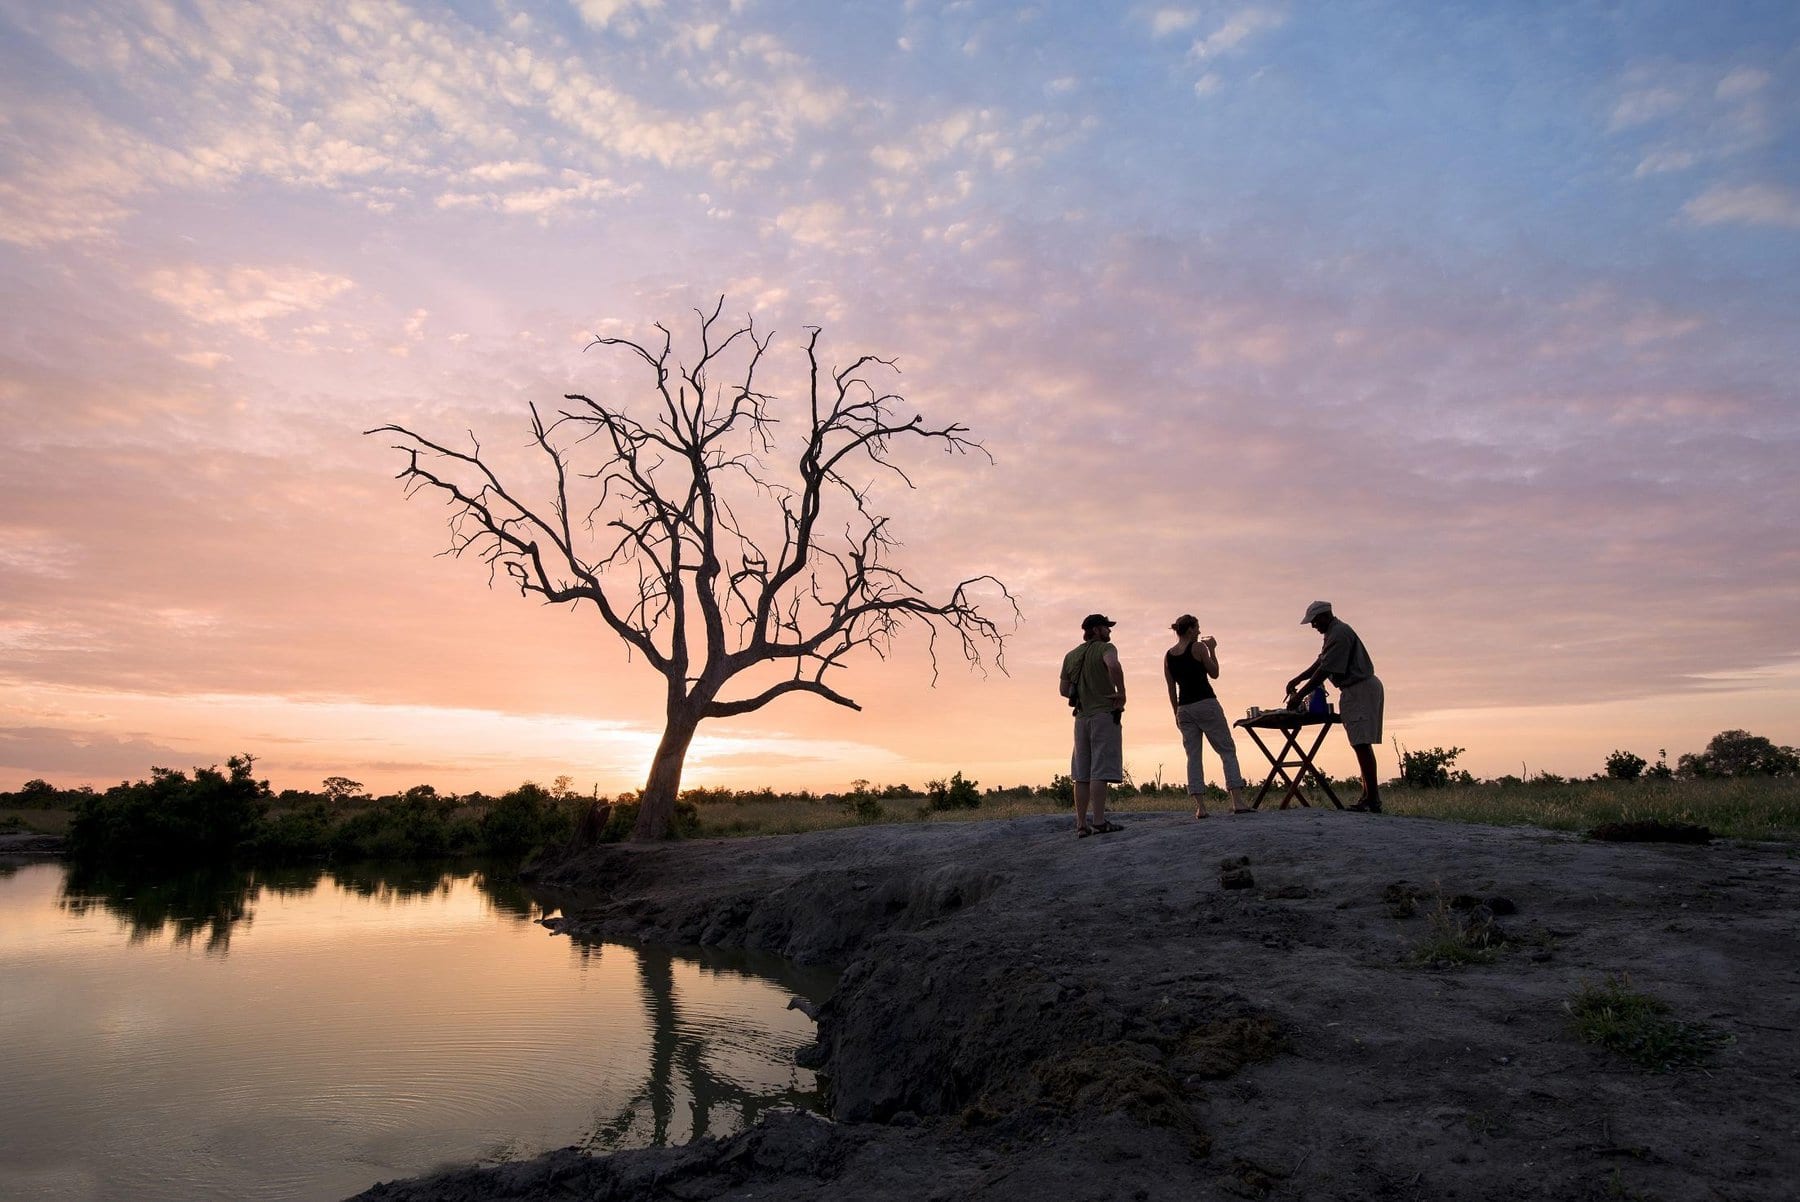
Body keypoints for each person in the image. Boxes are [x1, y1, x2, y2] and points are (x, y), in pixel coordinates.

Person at [1285, 601, 1386, 812]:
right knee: (1359, 743)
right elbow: (1320, 663)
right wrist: (1297, 679)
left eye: (1314, 622)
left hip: (1360, 688)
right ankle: (1368, 797)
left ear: (1324, 616)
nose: (1313, 626)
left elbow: (1325, 670)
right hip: (1353, 689)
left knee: (1361, 743)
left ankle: (1373, 800)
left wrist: (1300, 694)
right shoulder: (1332, 634)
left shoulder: (1339, 634)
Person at [1164, 614, 1249, 818]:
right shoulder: (1199, 648)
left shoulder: (1168, 656)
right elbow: (1215, 673)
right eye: (1198, 628)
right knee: (1227, 750)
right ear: (1191, 629)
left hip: (1184, 708)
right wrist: (1212, 649)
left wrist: (1176, 712)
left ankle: (1200, 807)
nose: (1200, 632)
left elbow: (1170, 688)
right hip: (1206, 703)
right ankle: (1237, 801)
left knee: (1193, 756)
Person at [1060, 613, 1126, 837]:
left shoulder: (1071, 655)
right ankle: (1099, 821)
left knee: (1081, 773)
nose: (1110, 631)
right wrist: (1120, 693)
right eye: (1106, 628)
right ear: (1097, 630)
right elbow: (1114, 666)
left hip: (1080, 718)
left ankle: (1080, 824)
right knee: (1100, 769)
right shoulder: (1106, 649)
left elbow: (1063, 690)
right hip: (1103, 716)